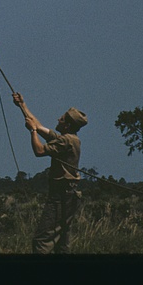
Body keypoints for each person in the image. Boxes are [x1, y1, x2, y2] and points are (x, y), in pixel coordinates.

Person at [12, 92, 88, 254]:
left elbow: (39, 150)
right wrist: (22, 105)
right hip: (69, 195)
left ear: (67, 125)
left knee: (42, 240)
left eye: (61, 119)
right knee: (61, 242)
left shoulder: (65, 140)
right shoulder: (69, 138)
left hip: (60, 196)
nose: (57, 120)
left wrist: (32, 132)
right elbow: (38, 126)